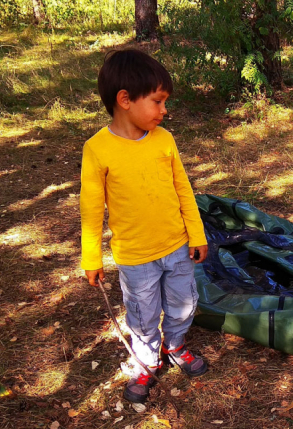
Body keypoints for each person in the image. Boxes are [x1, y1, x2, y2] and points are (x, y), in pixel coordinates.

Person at [80, 49, 209, 404]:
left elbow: (183, 189)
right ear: (125, 100)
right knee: (143, 313)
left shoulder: (164, 140)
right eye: (158, 101)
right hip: (135, 257)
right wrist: (91, 257)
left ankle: (177, 346)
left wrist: (196, 235)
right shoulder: (98, 150)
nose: (164, 110)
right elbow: (91, 209)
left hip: (177, 246)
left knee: (184, 302)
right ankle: (146, 362)